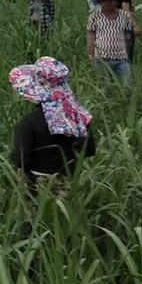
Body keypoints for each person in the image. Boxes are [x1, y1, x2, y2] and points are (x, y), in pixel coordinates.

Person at [8, 57, 95, 199]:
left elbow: (20, 159)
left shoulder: (29, 122)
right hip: (68, 183)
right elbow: (89, 150)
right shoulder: (78, 117)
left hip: (35, 187)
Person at [87, 0, 140, 92]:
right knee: (104, 87)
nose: (108, 2)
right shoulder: (94, 16)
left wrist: (121, 43)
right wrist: (90, 52)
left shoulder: (124, 15)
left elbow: (128, 34)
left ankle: (125, 106)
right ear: (100, 1)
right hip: (102, 58)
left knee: (126, 86)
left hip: (121, 57)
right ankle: (106, 107)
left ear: (117, 1)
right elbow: (90, 35)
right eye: (105, 0)